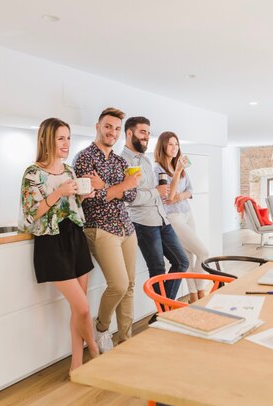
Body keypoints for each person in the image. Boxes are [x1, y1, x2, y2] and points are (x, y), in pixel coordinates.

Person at [19, 117, 98, 372]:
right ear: (47, 140)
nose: (66, 144)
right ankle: (95, 351)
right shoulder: (33, 173)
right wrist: (59, 193)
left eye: (68, 138)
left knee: (79, 308)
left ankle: (76, 362)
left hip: (75, 236)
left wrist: (84, 196)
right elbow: (32, 214)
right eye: (60, 138)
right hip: (51, 242)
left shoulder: (69, 171)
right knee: (83, 308)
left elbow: (73, 206)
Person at [73, 107, 141, 352]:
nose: (112, 132)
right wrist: (120, 186)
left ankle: (126, 340)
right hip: (100, 228)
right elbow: (90, 198)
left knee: (130, 286)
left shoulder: (121, 160)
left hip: (126, 227)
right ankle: (101, 328)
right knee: (119, 285)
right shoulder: (84, 158)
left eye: (116, 129)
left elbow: (131, 194)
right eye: (108, 126)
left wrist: (109, 188)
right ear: (98, 127)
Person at [121, 117, 189, 304]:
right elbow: (130, 198)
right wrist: (156, 192)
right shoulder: (123, 161)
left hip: (161, 219)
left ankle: (165, 309)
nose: (146, 136)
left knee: (182, 261)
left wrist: (161, 192)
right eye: (142, 132)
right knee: (157, 269)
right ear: (129, 133)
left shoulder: (144, 159)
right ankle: (165, 312)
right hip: (144, 223)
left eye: (148, 133)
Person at [154, 131, 209, 303]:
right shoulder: (158, 168)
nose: (174, 147)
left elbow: (190, 191)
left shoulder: (180, 166)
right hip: (174, 217)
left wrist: (180, 195)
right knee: (203, 252)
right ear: (163, 146)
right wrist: (177, 174)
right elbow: (168, 197)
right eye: (170, 144)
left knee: (191, 256)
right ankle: (200, 291)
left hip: (187, 213)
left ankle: (193, 295)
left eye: (176, 144)